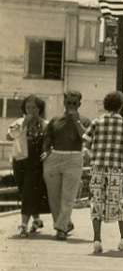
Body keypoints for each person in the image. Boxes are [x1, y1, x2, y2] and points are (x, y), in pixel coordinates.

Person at [82, 91, 123, 253]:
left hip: (97, 168)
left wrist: (95, 158)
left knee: (96, 202)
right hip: (115, 168)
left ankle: (97, 239)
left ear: (105, 106)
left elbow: (85, 146)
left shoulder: (96, 122)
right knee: (118, 202)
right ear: (120, 106)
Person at [41, 90, 90, 240]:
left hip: (73, 158)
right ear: (64, 103)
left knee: (68, 196)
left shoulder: (85, 121)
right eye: (68, 103)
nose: (71, 106)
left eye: (74, 103)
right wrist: (45, 152)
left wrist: (76, 121)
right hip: (54, 157)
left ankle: (61, 229)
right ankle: (64, 223)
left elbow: (86, 139)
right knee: (54, 197)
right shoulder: (55, 120)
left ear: (79, 105)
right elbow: (48, 140)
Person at [6, 94, 50, 237]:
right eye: (28, 107)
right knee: (23, 189)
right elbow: (8, 136)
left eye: (33, 107)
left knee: (28, 191)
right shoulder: (19, 122)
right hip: (19, 160)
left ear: (39, 109)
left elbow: (50, 142)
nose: (30, 110)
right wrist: (23, 124)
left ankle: (23, 225)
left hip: (36, 162)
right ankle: (36, 219)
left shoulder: (45, 124)